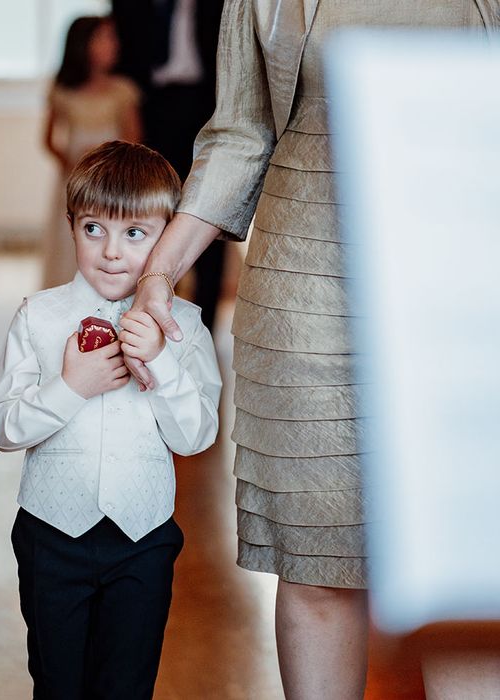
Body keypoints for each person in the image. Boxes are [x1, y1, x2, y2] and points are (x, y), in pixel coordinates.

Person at [122, 1, 499, 698]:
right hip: (307, 294)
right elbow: (240, 135)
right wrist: (158, 274)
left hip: (466, 290)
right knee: (320, 571)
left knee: (472, 585)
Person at [0, 141, 221, 699]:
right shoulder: (37, 317)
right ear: (71, 226)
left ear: (168, 239)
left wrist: (160, 361)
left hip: (145, 541)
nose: (112, 252)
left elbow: (195, 437)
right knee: (58, 683)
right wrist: (70, 388)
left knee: (127, 686)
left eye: (135, 233)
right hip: (50, 537)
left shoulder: (185, 328)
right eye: (94, 229)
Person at [112, 0, 227, 331]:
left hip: (207, 114)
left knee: (208, 214)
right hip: (151, 116)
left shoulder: (219, 7)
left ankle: (204, 325)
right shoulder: (136, 7)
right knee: (145, 213)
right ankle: (137, 318)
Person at [41, 16, 142, 289]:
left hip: (112, 183)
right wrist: (70, 163)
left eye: (113, 38)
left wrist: (108, 164)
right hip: (73, 182)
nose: (113, 45)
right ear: (82, 45)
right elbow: (48, 139)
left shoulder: (123, 91)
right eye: (104, 38)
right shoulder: (62, 90)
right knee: (69, 241)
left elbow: (134, 139)